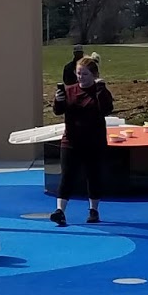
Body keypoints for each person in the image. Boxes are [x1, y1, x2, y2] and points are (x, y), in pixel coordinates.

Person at [51, 52, 113, 226]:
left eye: (85, 74)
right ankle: (60, 211)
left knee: (93, 176)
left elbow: (106, 110)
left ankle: (94, 210)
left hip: (94, 141)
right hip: (71, 141)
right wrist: (58, 100)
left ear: (94, 75)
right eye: (78, 73)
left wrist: (100, 91)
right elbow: (58, 111)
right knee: (67, 176)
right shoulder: (70, 90)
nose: (81, 77)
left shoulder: (100, 90)